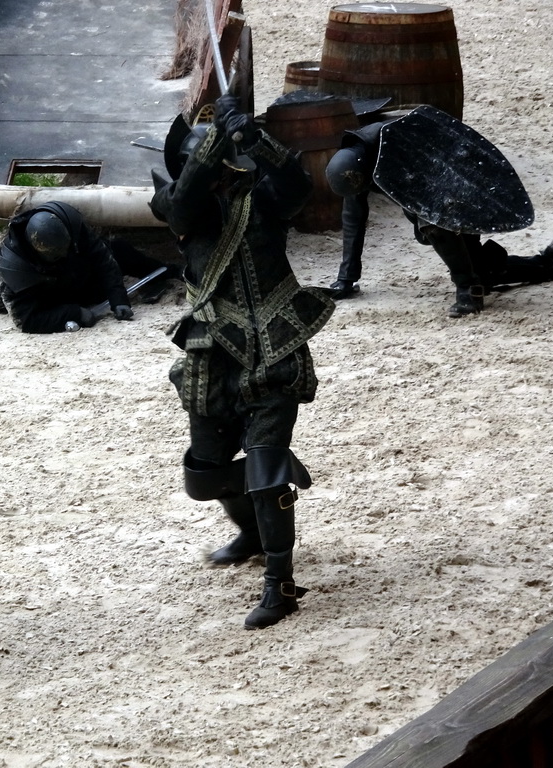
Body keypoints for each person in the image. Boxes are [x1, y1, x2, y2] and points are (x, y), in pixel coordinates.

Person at [149, 96, 335, 629]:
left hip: (275, 346)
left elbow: (298, 186)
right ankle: (253, 534)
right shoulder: (179, 205)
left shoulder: (263, 200)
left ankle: (280, 583)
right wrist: (215, 135)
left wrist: (254, 138)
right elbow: (183, 203)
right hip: (212, 353)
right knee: (205, 473)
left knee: (266, 465)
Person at [324, 117, 553, 316]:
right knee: (484, 272)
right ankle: (552, 263)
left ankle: (467, 289)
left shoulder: (397, 141)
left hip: (459, 187)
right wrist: (346, 279)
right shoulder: (356, 164)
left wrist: (465, 281)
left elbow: (433, 199)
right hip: (445, 195)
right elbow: (354, 218)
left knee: (432, 224)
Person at [0, 201, 181, 333]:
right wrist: (75, 313)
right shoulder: (13, 263)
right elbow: (25, 320)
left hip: (79, 277)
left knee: (119, 250)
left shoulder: (68, 220)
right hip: (52, 296)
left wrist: (119, 299)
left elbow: (102, 258)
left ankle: (170, 272)